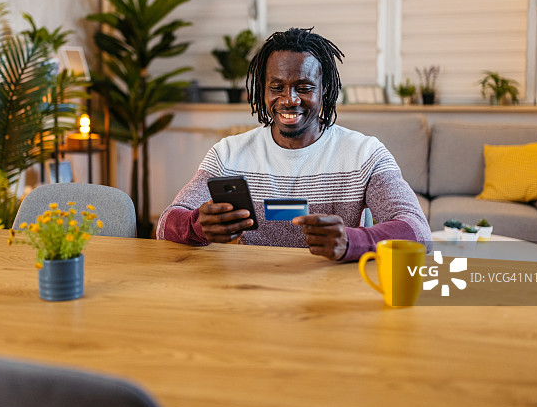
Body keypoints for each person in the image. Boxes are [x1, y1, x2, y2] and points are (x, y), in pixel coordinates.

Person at [156, 27, 431, 261]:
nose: (289, 100)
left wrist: (353, 241)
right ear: (262, 90)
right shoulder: (227, 154)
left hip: (334, 293)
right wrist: (196, 226)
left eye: (304, 87)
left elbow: (419, 232)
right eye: (277, 87)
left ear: (325, 89)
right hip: (250, 293)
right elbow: (165, 224)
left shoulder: (365, 155)